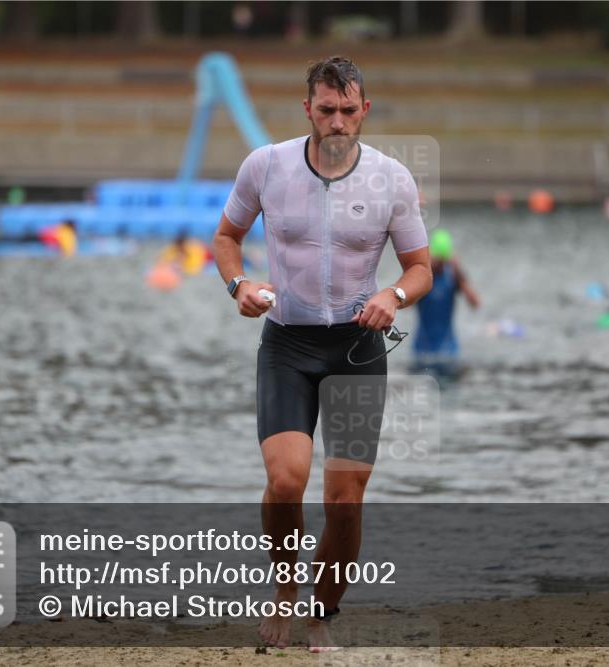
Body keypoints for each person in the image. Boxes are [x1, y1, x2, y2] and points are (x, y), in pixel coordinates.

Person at [212, 56, 432, 652]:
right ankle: (285, 591)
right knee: (286, 482)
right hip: (288, 342)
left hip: (358, 349)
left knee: (344, 501)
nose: (337, 122)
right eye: (326, 110)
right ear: (308, 109)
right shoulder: (266, 166)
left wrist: (393, 293)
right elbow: (227, 238)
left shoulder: (392, 180)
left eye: (348, 111)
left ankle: (321, 611)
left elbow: (420, 270)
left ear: (364, 112)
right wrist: (240, 287)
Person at [412, 229, 480, 376]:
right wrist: (421, 272)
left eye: (444, 260)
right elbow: (404, 304)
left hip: (449, 351)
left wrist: (459, 274)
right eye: (438, 260)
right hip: (421, 351)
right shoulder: (423, 277)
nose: (440, 264)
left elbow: (475, 304)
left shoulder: (454, 276)